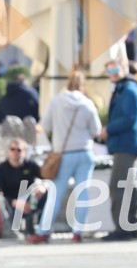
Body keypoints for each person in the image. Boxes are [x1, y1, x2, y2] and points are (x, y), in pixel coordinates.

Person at [28, 71, 101, 244]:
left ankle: (43, 232)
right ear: (82, 85)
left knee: (55, 194)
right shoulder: (88, 103)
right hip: (85, 152)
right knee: (82, 193)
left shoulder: (56, 101)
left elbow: (44, 125)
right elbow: (96, 131)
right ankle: (78, 232)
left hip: (64, 154)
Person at [101, 60, 137, 241]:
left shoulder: (128, 90)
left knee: (118, 185)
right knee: (126, 185)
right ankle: (130, 226)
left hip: (125, 143)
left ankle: (123, 228)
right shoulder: (124, 89)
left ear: (125, 69)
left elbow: (128, 118)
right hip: (126, 143)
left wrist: (108, 129)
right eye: (109, 68)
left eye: (116, 68)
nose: (113, 71)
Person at [0, 138, 45, 237]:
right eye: (12, 149)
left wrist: (42, 186)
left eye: (19, 150)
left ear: (24, 152)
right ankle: (9, 231)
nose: (15, 152)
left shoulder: (30, 164)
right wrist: (14, 202)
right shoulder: (0, 169)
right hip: (9, 203)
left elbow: (46, 177)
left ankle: (41, 229)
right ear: (9, 151)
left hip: (29, 201)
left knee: (46, 193)